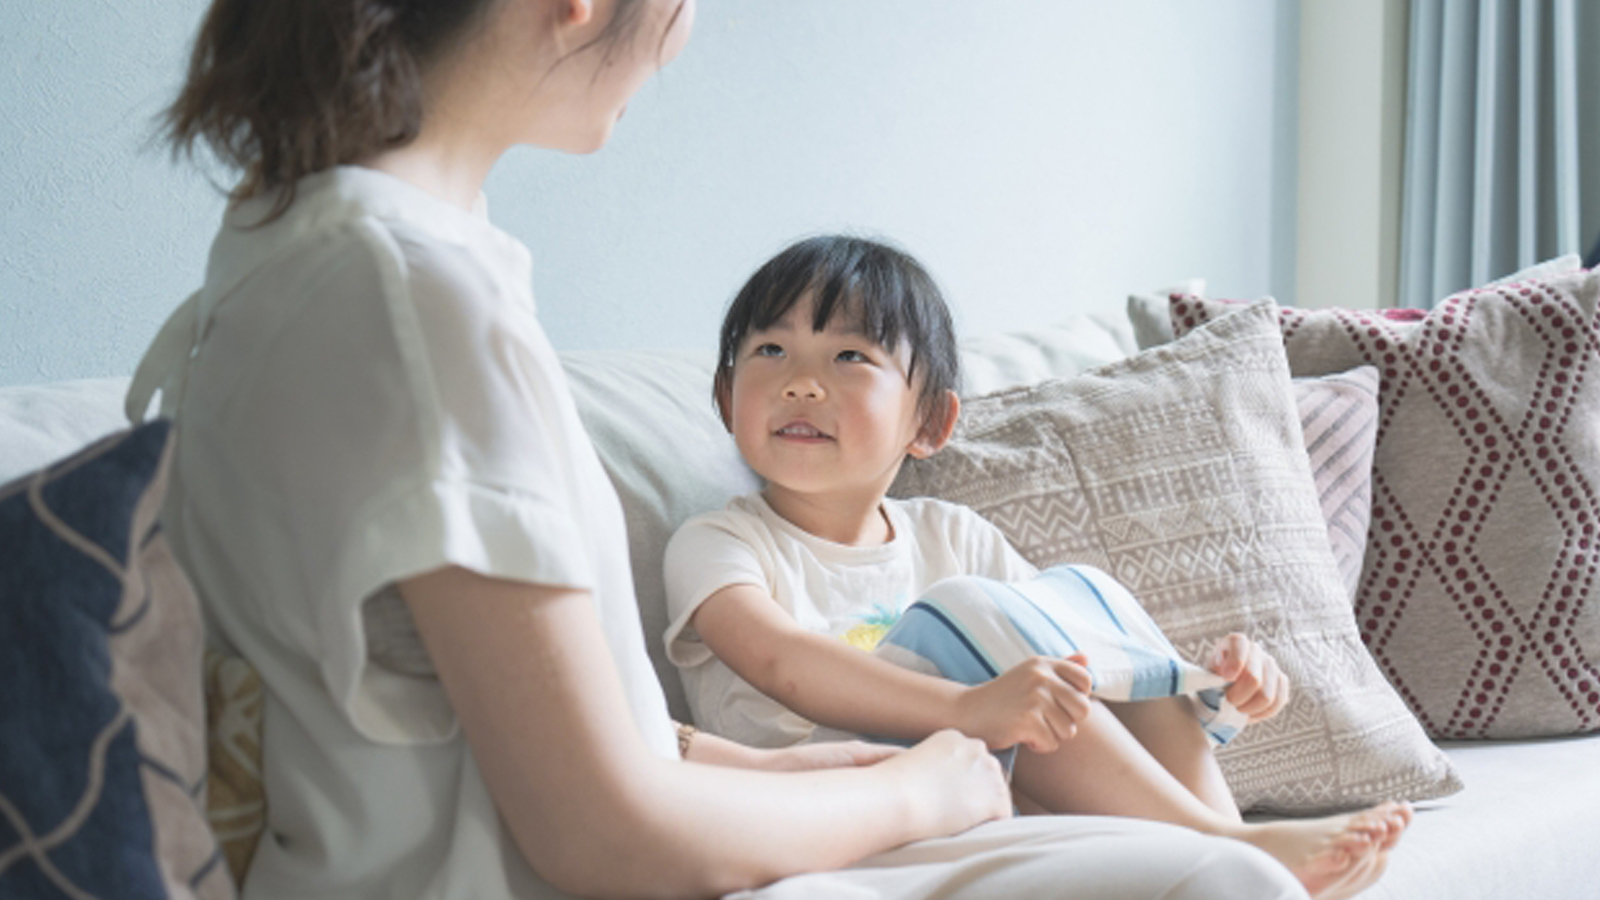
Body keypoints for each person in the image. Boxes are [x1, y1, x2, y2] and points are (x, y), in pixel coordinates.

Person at [133, 0, 1325, 897]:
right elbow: (601, 833)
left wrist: (810, 776)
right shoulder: (412, 301)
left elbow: (456, 715)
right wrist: (917, 782)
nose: (685, 28)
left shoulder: (291, 247)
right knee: (1221, 887)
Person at [664, 235, 1413, 900]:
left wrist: (1200, 688)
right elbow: (778, 660)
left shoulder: (952, 532)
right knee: (972, 615)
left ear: (930, 424)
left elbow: (1075, 670)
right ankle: (1227, 843)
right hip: (833, 791)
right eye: (770, 351)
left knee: (1082, 602)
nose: (801, 382)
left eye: (850, 357)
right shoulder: (720, 540)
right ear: (727, 399)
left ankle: (1223, 817)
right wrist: (969, 708)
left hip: (980, 788)